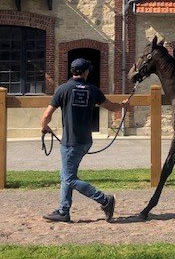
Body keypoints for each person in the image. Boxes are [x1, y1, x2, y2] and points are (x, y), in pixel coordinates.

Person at [40, 58, 132, 223]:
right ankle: (63, 211)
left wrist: (45, 127)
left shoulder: (62, 89)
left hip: (70, 141)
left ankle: (104, 200)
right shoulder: (93, 90)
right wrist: (123, 105)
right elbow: (112, 107)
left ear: (72, 71)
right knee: (66, 174)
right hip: (85, 141)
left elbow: (46, 115)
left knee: (68, 178)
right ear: (86, 72)